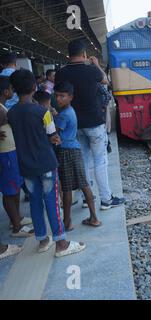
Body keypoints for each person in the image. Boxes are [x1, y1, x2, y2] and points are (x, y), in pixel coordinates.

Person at [7, 69, 86, 257]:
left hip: (26, 165)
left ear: (14, 89)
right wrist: (54, 139)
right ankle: (61, 243)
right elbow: (54, 136)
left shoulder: (11, 114)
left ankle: (43, 240)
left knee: (34, 202)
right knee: (51, 201)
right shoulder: (43, 112)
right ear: (34, 87)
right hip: (46, 164)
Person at [55, 40, 124, 210]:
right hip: (94, 123)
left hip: (75, 124)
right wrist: (96, 64)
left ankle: (88, 198)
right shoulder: (91, 70)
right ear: (84, 54)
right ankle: (106, 199)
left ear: (68, 54)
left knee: (84, 160)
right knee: (100, 160)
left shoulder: (61, 73)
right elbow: (106, 81)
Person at [54, 81, 101, 231]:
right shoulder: (69, 111)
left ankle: (67, 222)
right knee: (83, 183)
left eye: (62, 96)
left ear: (70, 97)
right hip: (75, 150)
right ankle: (94, 217)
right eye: (57, 96)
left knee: (67, 188)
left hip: (65, 151)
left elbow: (54, 132)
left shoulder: (63, 115)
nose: (59, 99)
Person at [0, 76, 34, 238]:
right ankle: (16, 226)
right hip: (5, 154)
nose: (13, 92)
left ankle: (17, 218)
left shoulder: (3, 106)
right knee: (9, 190)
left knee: (15, 187)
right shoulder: (0, 109)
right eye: (11, 89)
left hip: (11, 151)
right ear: (6, 91)